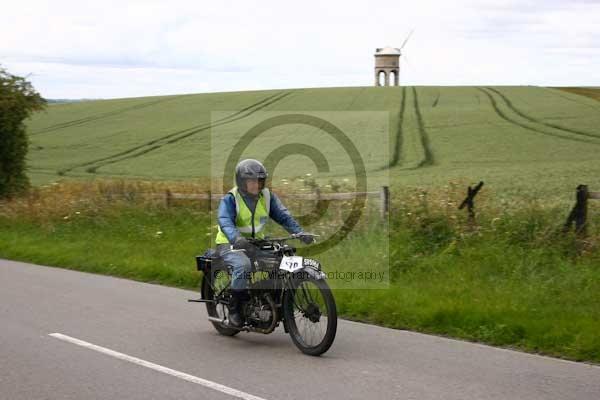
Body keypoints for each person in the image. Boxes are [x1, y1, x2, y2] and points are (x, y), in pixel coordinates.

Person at [214, 159, 313, 327]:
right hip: (230, 244)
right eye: (252, 181)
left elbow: (283, 216)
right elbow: (225, 221)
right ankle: (235, 308)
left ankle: (273, 302)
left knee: (282, 261)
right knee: (243, 265)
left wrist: (299, 232)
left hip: (256, 243)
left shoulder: (267, 197)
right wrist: (236, 238)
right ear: (241, 181)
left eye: (260, 180)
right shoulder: (231, 199)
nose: (257, 185)